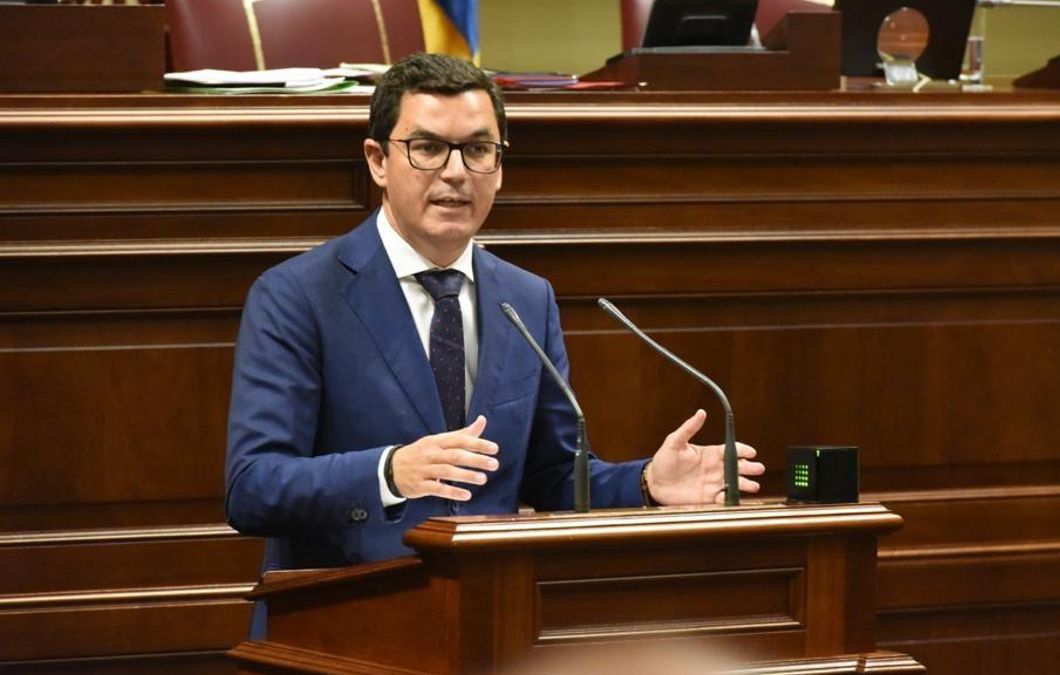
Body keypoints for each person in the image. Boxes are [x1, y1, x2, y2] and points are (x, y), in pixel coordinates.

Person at [225, 53, 765, 637]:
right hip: (338, 626)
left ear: (500, 167)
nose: (455, 172)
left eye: (478, 150)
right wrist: (390, 471)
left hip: (491, 626)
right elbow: (253, 486)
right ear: (378, 161)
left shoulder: (526, 298)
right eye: (428, 148)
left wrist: (644, 485)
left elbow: (553, 477)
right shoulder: (298, 295)